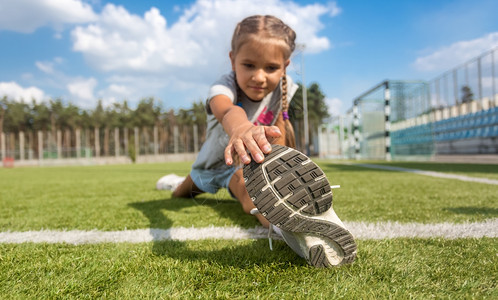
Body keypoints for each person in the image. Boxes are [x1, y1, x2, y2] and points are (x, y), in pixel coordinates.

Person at [157, 15, 356, 267]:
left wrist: (281, 171)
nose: (259, 77)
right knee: (179, 195)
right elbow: (228, 111)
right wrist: (241, 129)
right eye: (249, 65)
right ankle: (174, 182)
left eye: (270, 68)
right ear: (232, 60)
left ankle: (298, 232)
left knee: (252, 194)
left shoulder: (286, 87)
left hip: (245, 166)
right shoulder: (222, 87)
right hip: (212, 166)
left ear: (285, 66)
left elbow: (279, 128)